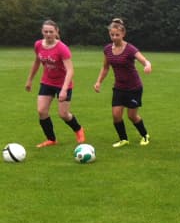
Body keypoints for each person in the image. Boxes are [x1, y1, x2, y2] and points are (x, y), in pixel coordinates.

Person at [25, 19, 86, 148]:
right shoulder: (38, 45)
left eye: (51, 32)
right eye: (45, 31)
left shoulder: (62, 48)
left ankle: (79, 129)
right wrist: (30, 80)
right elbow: (37, 62)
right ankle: (51, 139)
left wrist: (63, 90)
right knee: (41, 111)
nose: (48, 34)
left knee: (63, 114)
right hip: (47, 82)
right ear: (42, 31)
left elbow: (70, 70)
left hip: (63, 84)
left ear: (56, 32)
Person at [94, 18, 153, 147]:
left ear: (123, 34)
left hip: (133, 87)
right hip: (119, 87)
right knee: (116, 115)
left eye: (117, 35)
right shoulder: (107, 49)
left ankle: (144, 135)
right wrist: (98, 82)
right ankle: (123, 139)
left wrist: (147, 65)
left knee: (132, 116)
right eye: (112, 35)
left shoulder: (130, 49)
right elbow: (105, 67)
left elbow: (144, 60)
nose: (114, 37)